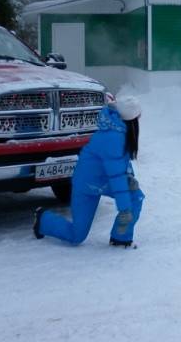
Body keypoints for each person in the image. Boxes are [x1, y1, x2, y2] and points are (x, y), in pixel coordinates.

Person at [33, 96, 145, 246]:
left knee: (135, 196)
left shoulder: (118, 130)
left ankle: (121, 237)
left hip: (103, 182)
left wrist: (129, 177)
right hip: (86, 185)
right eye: (138, 116)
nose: (139, 119)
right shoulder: (113, 138)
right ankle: (43, 219)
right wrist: (124, 210)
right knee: (76, 236)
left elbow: (121, 164)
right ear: (131, 119)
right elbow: (116, 176)